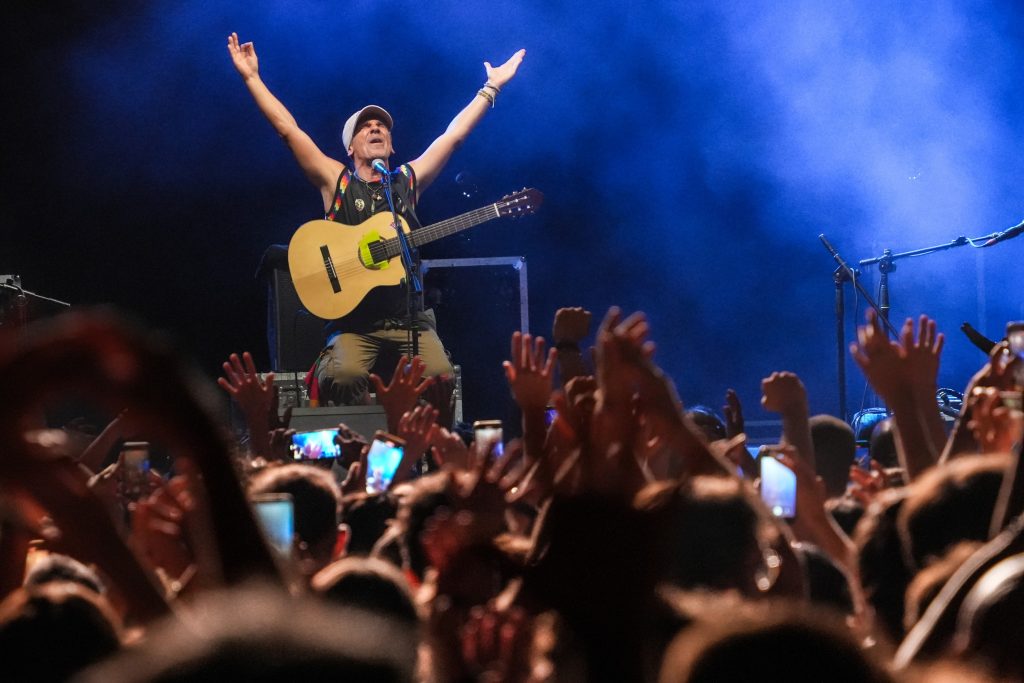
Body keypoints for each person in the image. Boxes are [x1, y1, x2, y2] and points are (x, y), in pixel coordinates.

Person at [227, 33, 526, 406]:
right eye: (365, 127)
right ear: (350, 148)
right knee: (343, 375)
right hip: (355, 325)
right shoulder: (335, 181)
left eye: (382, 126)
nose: (375, 128)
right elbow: (289, 131)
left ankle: (433, 455)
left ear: (392, 145)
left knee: (441, 378)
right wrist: (252, 78)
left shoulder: (406, 182)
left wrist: (490, 88)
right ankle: (358, 449)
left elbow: (454, 137)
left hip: (410, 321)